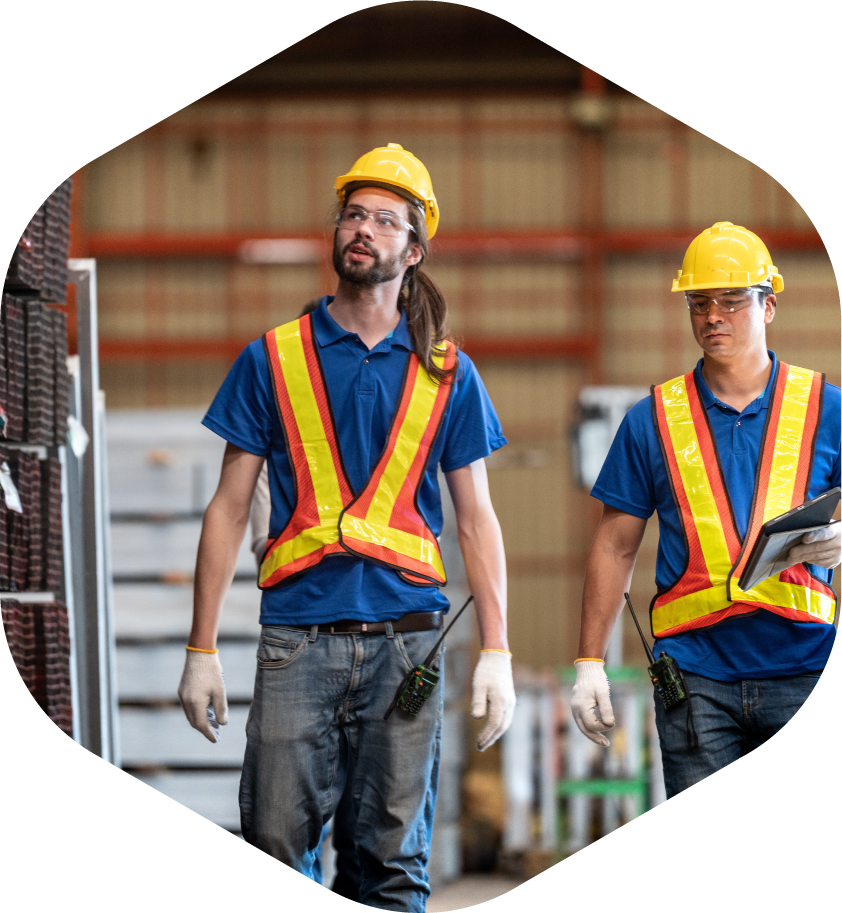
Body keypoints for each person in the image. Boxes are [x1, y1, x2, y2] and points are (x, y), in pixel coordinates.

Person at [177, 143, 516, 909]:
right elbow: (230, 506)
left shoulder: (449, 373)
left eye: (385, 220)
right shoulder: (271, 359)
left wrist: (497, 647)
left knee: (393, 866)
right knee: (270, 841)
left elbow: (477, 518)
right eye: (354, 214)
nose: (363, 229)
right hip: (299, 641)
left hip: (408, 643)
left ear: (415, 249)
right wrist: (200, 647)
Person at [571, 221, 841, 798]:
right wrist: (588, 661)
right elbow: (616, 544)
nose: (712, 315)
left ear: (769, 306)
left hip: (806, 665)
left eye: (731, 300)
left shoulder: (827, 407)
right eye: (699, 302)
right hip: (695, 679)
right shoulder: (652, 419)